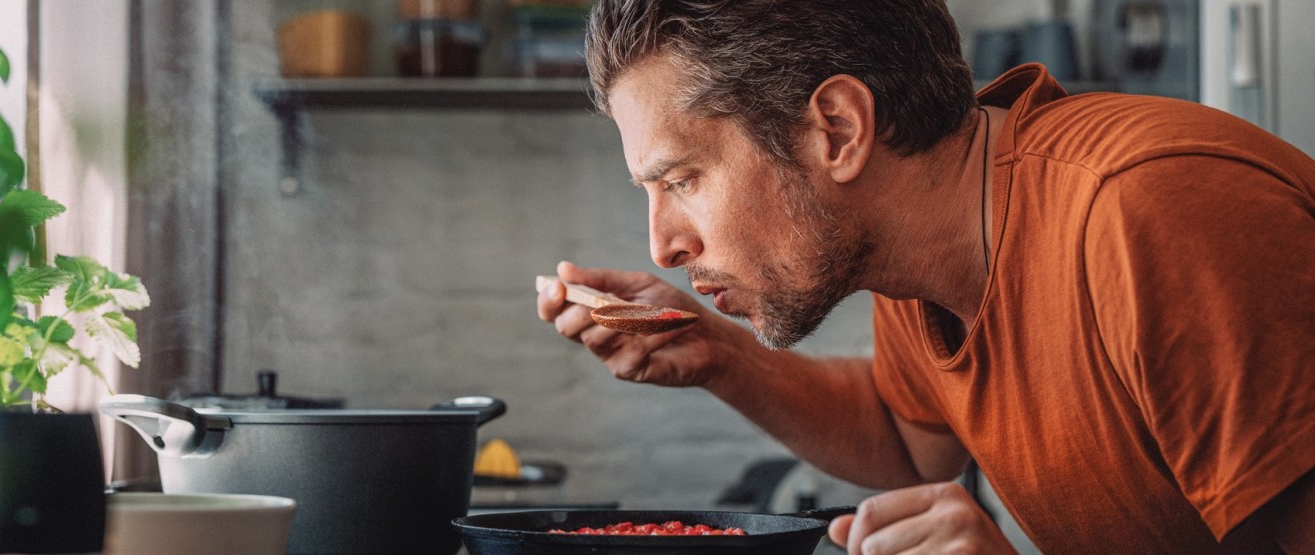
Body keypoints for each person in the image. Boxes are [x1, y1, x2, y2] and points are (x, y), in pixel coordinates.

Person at [535, 1, 1315, 552]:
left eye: (683, 179)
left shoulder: (1155, 217)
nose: (663, 244)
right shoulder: (921, 248)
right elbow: (913, 444)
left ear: (836, 128)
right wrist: (720, 355)